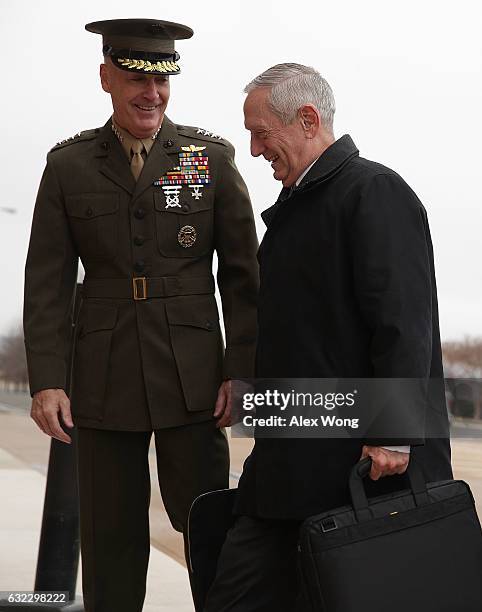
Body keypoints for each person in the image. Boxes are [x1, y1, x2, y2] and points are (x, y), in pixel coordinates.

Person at [23, 18, 259, 612]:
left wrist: (242, 370)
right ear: (106, 78)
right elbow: (47, 282)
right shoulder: (68, 166)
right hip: (100, 380)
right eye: (135, 78)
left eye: (162, 80)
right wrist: (49, 379)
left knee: (207, 524)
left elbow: (243, 276)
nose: (150, 93)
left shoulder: (207, 158)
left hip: (196, 379)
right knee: (109, 539)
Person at [204, 63, 453, 611]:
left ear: (308, 118)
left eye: (260, 132)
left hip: (362, 469)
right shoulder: (297, 210)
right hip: (289, 464)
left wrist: (392, 435)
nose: (252, 149)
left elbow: (403, 322)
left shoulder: (374, 192)